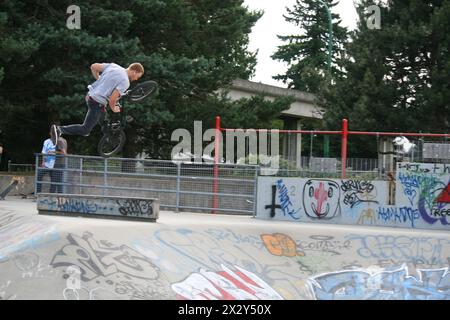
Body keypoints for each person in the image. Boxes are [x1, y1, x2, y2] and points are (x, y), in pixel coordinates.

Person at [52, 62, 144, 140]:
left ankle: (107, 136)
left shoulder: (114, 66)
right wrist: (114, 109)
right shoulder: (125, 82)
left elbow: (94, 66)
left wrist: (100, 80)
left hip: (90, 95)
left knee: (103, 119)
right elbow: (112, 99)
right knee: (85, 130)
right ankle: (59, 130)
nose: (136, 79)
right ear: (135, 72)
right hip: (97, 102)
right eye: (137, 77)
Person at [37, 129, 57, 193]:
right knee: (39, 175)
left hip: (55, 164)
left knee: (54, 179)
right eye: (52, 133)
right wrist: (43, 162)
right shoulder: (46, 141)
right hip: (46, 164)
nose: (53, 134)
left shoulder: (58, 141)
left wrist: (53, 152)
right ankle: (38, 193)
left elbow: (61, 152)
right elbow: (43, 152)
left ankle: (51, 195)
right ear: (50, 133)